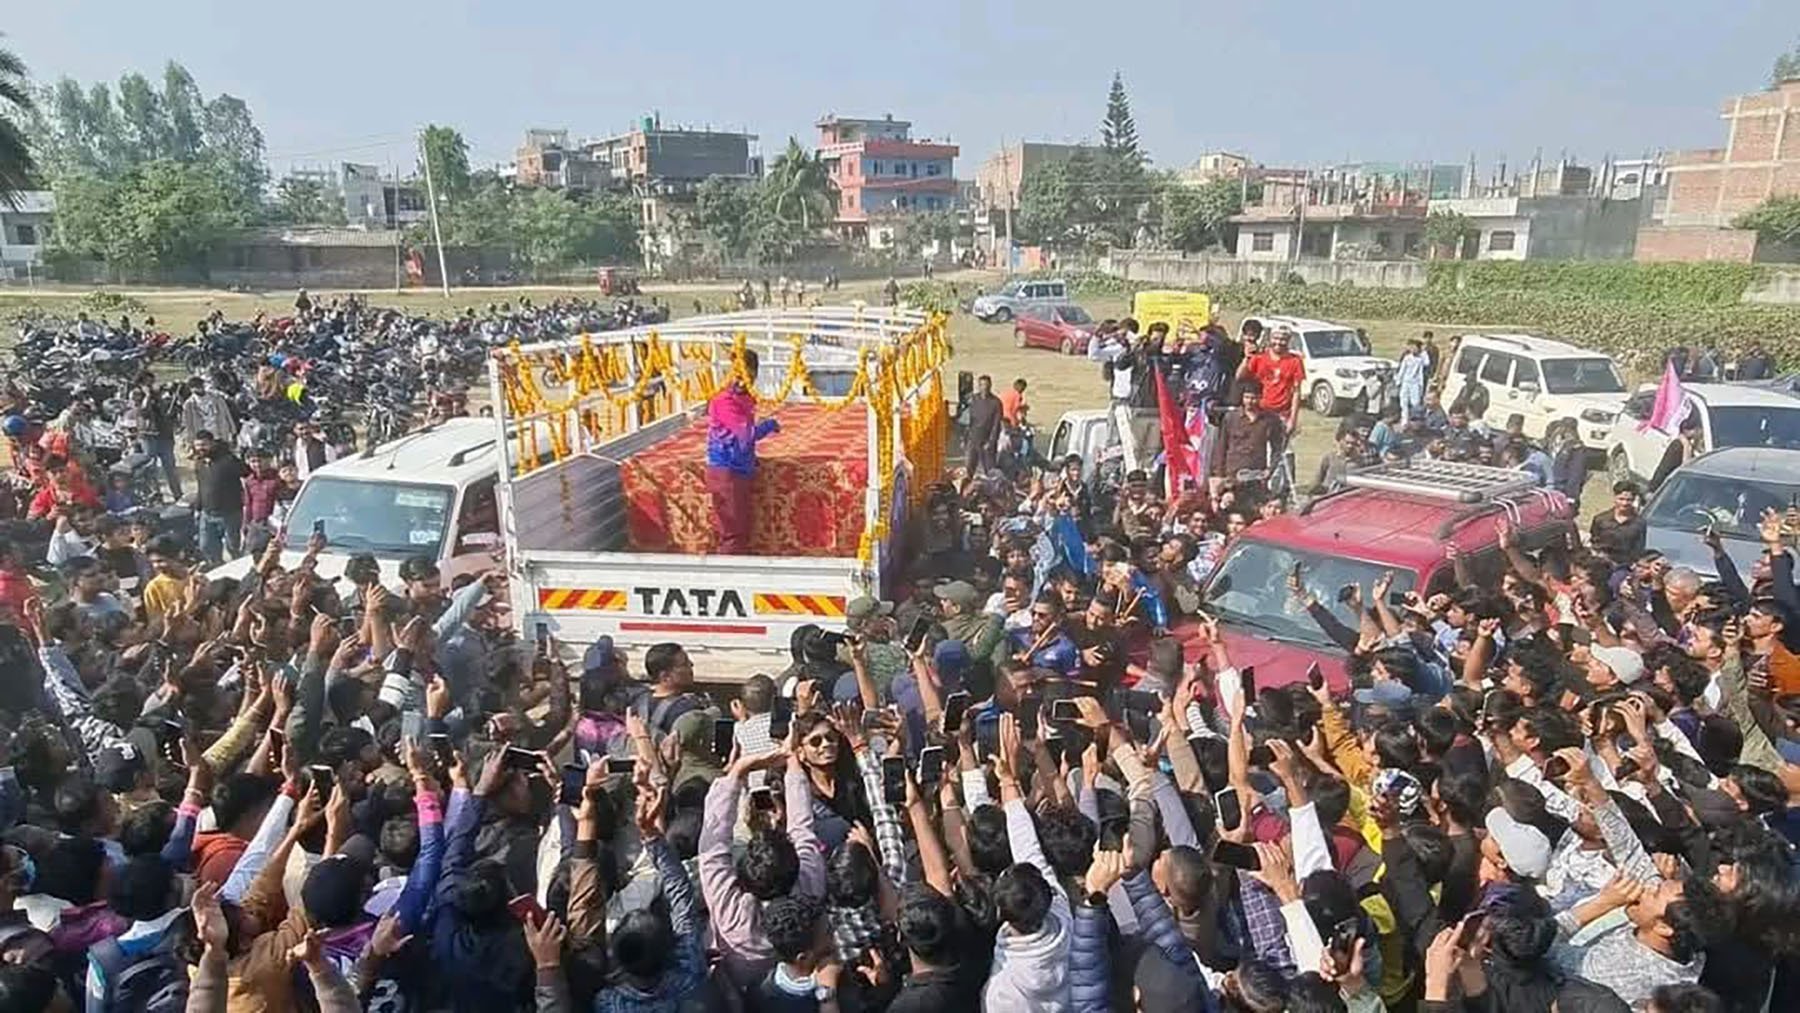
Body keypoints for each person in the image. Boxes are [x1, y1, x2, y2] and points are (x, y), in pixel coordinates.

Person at [707, 347, 780, 555]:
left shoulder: (746, 398)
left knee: (743, 526)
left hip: (741, 469)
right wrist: (768, 426)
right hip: (726, 470)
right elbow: (745, 434)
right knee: (732, 533)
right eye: (737, 376)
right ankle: (727, 578)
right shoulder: (724, 401)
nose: (741, 382)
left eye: (748, 377)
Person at [191, 429, 248, 565]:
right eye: (198, 445)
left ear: (212, 444)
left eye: (204, 445)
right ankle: (218, 568)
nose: (200, 448)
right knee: (206, 546)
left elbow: (247, 472)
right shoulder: (199, 463)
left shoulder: (228, 460)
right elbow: (201, 486)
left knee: (233, 547)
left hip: (230, 513)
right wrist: (198, 507)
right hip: (207, 513)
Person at [965, 375, 1004, 476]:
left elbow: (996, 425)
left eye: (986, 385)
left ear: (990, 386)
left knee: (989, 470)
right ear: (979, 386)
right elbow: (968, 420)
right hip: (973, 439)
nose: (984, 387)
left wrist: (991, 442)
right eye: (982, 385)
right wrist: (966, 438)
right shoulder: (974, 399)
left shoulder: (996, 402)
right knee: (969, 468)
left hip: (987, 441)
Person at [1397, 338, 1429, 425]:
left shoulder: (1421, 359)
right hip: (1406, 382)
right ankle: (1404, 420)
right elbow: (1402, 370)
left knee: (1415, 402)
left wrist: (1423, 352)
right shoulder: (1407, 358)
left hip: (1416, 383)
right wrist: (1399, 381)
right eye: (1411, 347)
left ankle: (1415, 419)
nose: (1413, 349)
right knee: (1403, 401)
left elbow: (1427, 363)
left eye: (1415, 348)